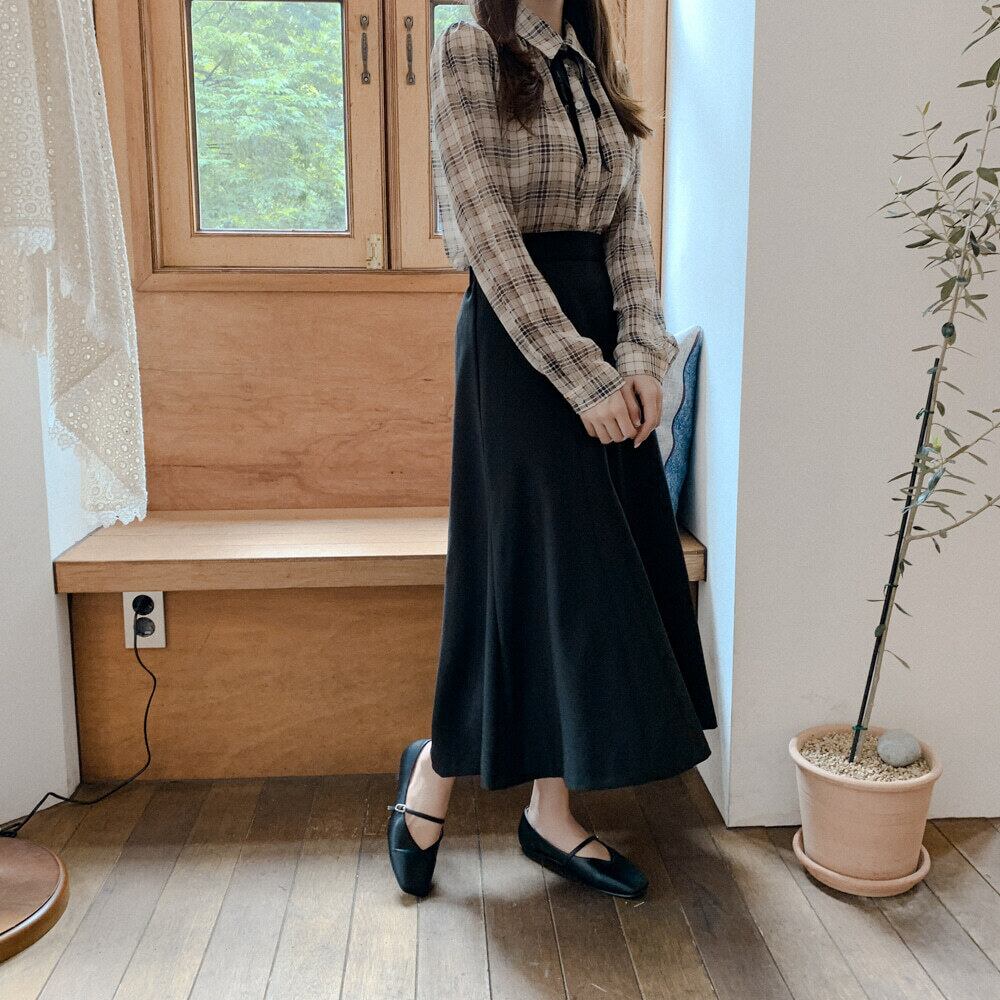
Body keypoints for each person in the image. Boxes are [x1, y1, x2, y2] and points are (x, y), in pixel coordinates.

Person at [387, 0, 718, 899]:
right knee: (523, 573)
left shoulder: (591, 64)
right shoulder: (468, 49)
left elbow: (628, 227)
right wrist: (586, 378)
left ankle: (548, 810)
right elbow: (487, 237)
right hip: (517, 349)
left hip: (605, 345)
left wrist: (642, 356)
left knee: (574, 584)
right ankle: (437, 767)